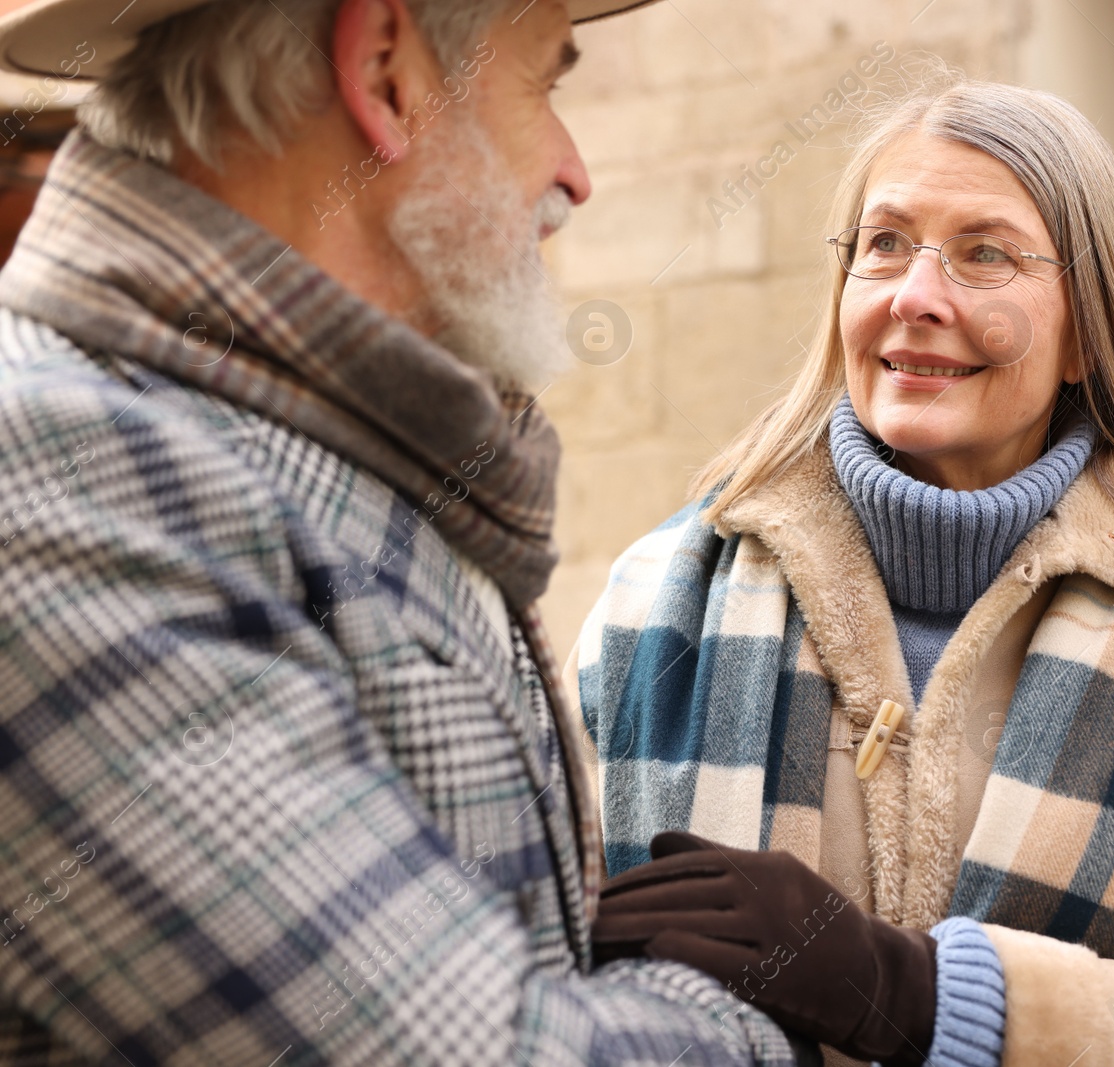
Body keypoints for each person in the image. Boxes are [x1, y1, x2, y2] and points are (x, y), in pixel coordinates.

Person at [0, 1, 810, 1064]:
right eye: (544, 83)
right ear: (383, 69)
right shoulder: (62, 469)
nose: (574, 173)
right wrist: (794, 1004)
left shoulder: (305, 435)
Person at [568, 75, 1114, 1067]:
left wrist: (921, 996)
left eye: (984, 253)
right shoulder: (654, 593)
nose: (915, 296)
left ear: (1085, 329)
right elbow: (523, 952)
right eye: (885, 244)